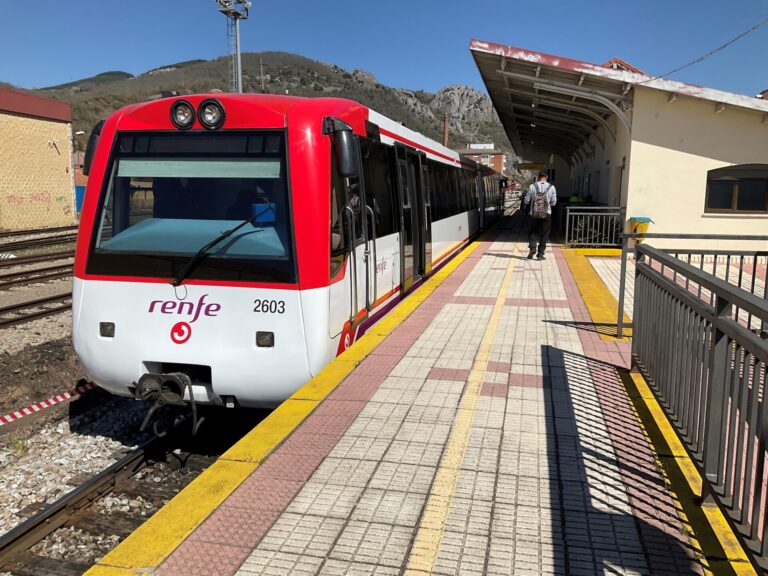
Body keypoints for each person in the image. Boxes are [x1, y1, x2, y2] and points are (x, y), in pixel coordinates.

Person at [523, 171, 557, 260]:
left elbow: (526, 200)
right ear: (547, 176)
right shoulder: (552, 187)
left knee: (532, 231)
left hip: (533, 213)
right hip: (546, 213)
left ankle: (532, 248)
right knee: (545, 234)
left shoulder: (532, 186)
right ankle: (540, 254)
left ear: (538, 177)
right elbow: (553, 203)